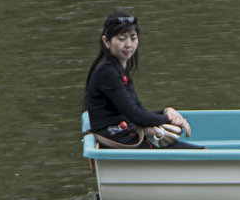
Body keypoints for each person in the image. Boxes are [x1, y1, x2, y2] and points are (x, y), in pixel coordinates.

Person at [83, 11, 200, 149]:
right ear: (106, 41)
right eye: (122, 38)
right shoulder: (107, 72)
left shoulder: (119, 69)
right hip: (118, 138)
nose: (129, 44)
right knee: (201, 153)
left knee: (193, 150)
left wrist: (166, 111)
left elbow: (138, 110)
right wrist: (171, 119)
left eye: (133, 38)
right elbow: (137, 116)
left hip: (125, 133)